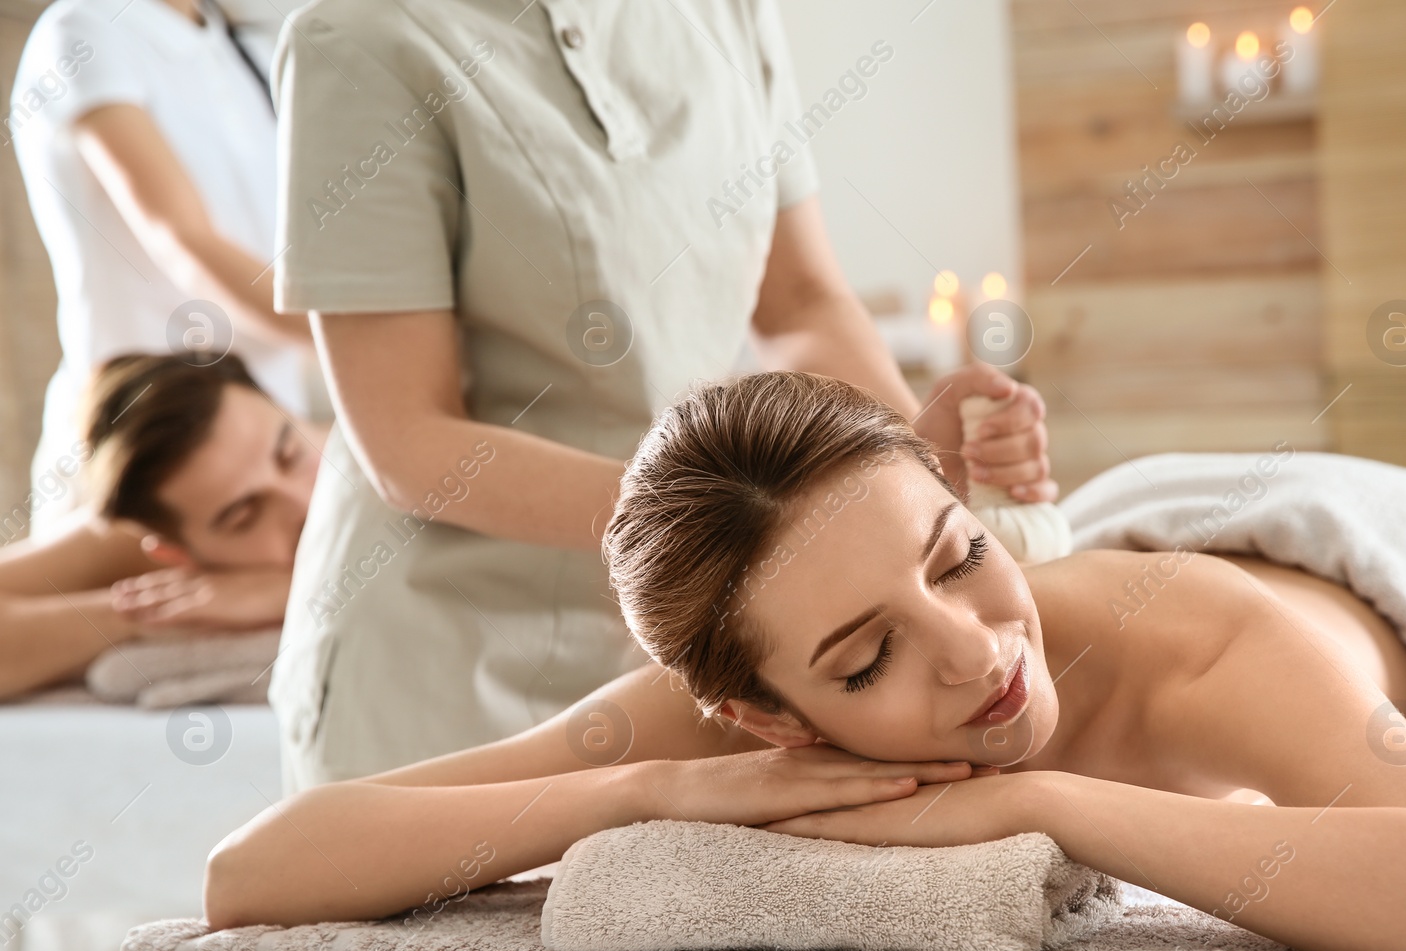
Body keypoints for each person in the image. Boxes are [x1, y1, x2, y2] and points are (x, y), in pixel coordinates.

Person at [204, 371, 1406, 951]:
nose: (976, 649)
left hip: (1356, 551)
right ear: (765, 712)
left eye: (958, 555)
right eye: (864, 658)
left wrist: (1049, 803)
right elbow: (254, 871)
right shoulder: (718, 716)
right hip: (1138, 527)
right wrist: (640, 786)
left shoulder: (1209, 647)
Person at [265, 0, 1053, 790]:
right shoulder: (358, 38)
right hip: (441, 652)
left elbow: (802, 303)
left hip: (698, 630)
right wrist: (741, 535)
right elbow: (410, 440)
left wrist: (914, 471)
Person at [9, 0, 314, 539]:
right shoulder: (84, 27)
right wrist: (372, 341)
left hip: (265, 440)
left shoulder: (246, 48)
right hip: (147, 442)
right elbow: (182, 239)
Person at [0, 354, 323, 699]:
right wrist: (147, 614)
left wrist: (290, 592)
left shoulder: (375, 444)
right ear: (176, 554)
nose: (305, 501)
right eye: (244, 517)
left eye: (290, 454)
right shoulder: (127, 541)